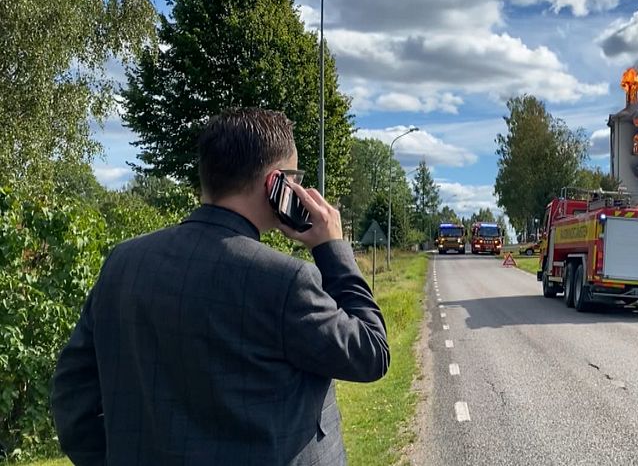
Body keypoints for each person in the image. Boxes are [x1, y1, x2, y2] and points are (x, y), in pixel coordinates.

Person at [51, 108, 389, 465]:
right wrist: (332, 248)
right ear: (276, 183)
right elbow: (372, 353)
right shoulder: (286, 281)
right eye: (295, 178)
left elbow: (72, 396)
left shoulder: (122, 262)